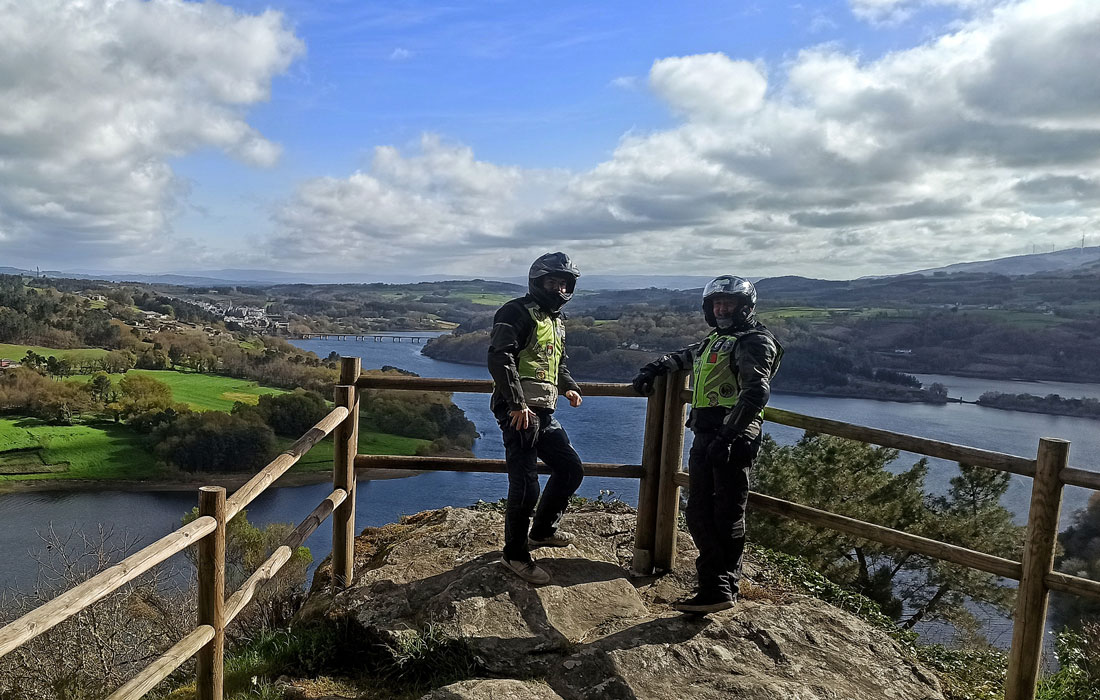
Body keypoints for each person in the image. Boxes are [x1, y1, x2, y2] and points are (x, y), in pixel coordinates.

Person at [632, 275, 782, 613]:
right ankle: (719, 587)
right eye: (717, 304)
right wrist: (654, 367)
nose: (722, 309)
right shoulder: (718, 340)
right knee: (700, 512)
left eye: (729, 303)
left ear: (746, 307)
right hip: (709, 434)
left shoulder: (755, 341)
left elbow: (756, 392)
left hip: (733, 436)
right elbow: (688, 356)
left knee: (724, 514)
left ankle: (718, 589)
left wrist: (727, 436)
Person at [488, 252, 586, 585]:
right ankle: (515, 555)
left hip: (542, 410)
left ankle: (542, 531)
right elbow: (500, 357)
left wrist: (569, 386)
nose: (559, 289)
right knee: (526, 486)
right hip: (518, 411)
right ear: (537, 282)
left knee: (570, 469)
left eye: (564, 283)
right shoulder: (515, 311)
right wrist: (516, 403)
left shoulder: (555, 320)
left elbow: (556, 362)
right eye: (552, 282)